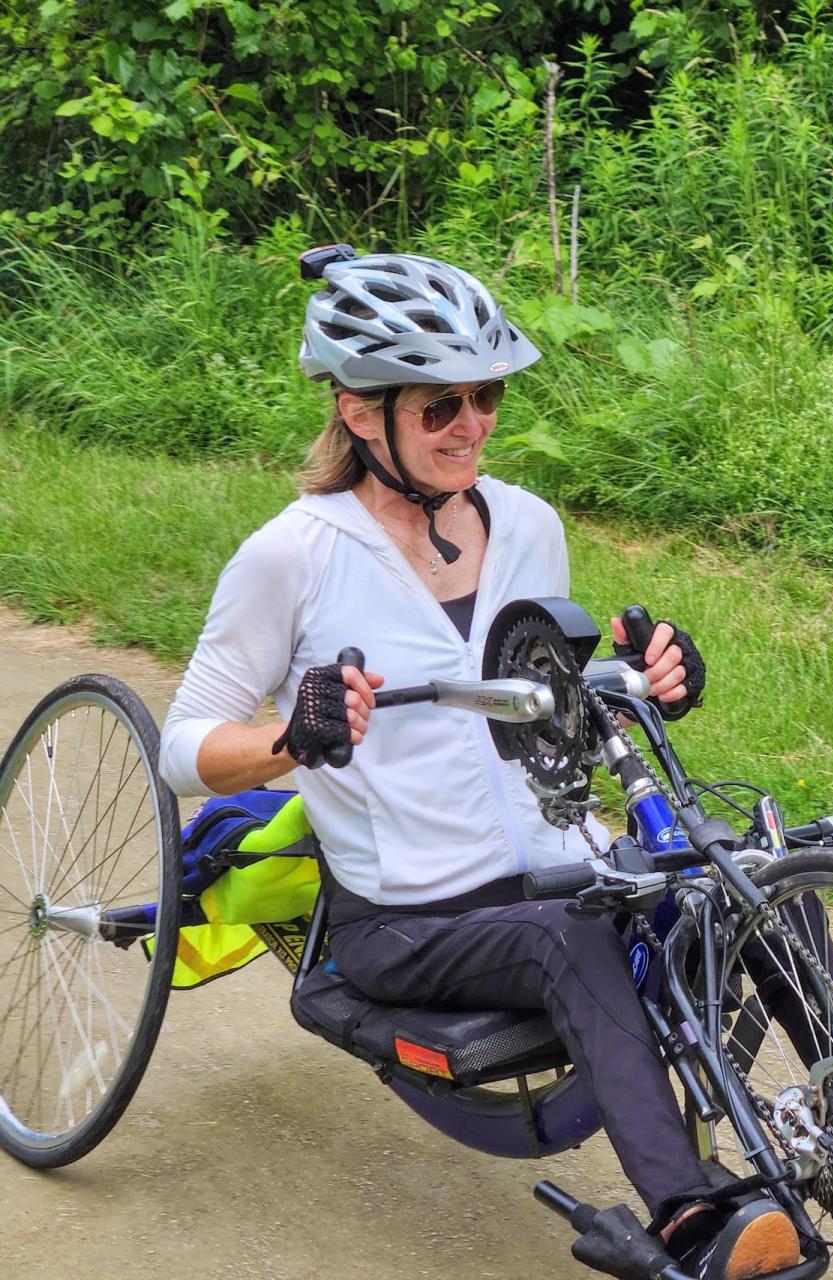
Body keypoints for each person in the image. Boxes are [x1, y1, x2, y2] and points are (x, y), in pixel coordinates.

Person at [159, 249, 800, 1280]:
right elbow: (182, 746)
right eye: (442, 404)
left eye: (487, 395)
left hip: (563, 863)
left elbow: (547, 707)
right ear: (362, 412)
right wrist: (294, 736)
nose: (474, 424)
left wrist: (648, 676)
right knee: (572, 940)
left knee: (764, 877)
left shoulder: (529, 526)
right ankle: (692, 1214)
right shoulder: (293, 553)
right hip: (409, 914)